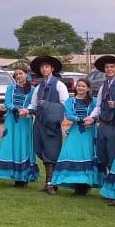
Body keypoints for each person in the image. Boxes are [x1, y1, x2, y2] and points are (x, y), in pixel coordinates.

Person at [49, 79, 100, 195]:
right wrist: (81, 119)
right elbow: (69, 115)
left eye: (84, 86)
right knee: (69, 153)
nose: (81, 88)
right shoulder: (70, 101)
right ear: (76, 87)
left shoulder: (94, 101)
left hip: (89, 131)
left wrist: (92, 120)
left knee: (87, 155)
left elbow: (98, 113)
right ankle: (72, 182)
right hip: (75, 130)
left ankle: (84, 185)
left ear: (88, 88)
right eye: (79, 86)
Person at [28, 56, 68, 195]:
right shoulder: (38, 86)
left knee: (51, 152)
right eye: (42, 67)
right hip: (39, 122)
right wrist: (27, 110)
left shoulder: (59, 85)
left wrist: (48, 106)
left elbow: (65, 105)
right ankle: (48, 182)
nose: (44, 69)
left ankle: (51, 183)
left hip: (52, 123)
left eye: (47, 66)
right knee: (41, 150)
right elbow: (33, 104)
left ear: (52, 68)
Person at [0, 66, 37, 187]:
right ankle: (14, 174)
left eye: (20, 73)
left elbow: (34, 104)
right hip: (12, 120)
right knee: (11, 145)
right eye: (16, 74)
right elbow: (7, 103)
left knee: (24, 145)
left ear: (26, 74)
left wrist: (26, 111)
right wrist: (17, 109)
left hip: (25, 121)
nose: (18, 76)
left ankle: (24, 176)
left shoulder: (33, 90)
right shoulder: (10, 88)